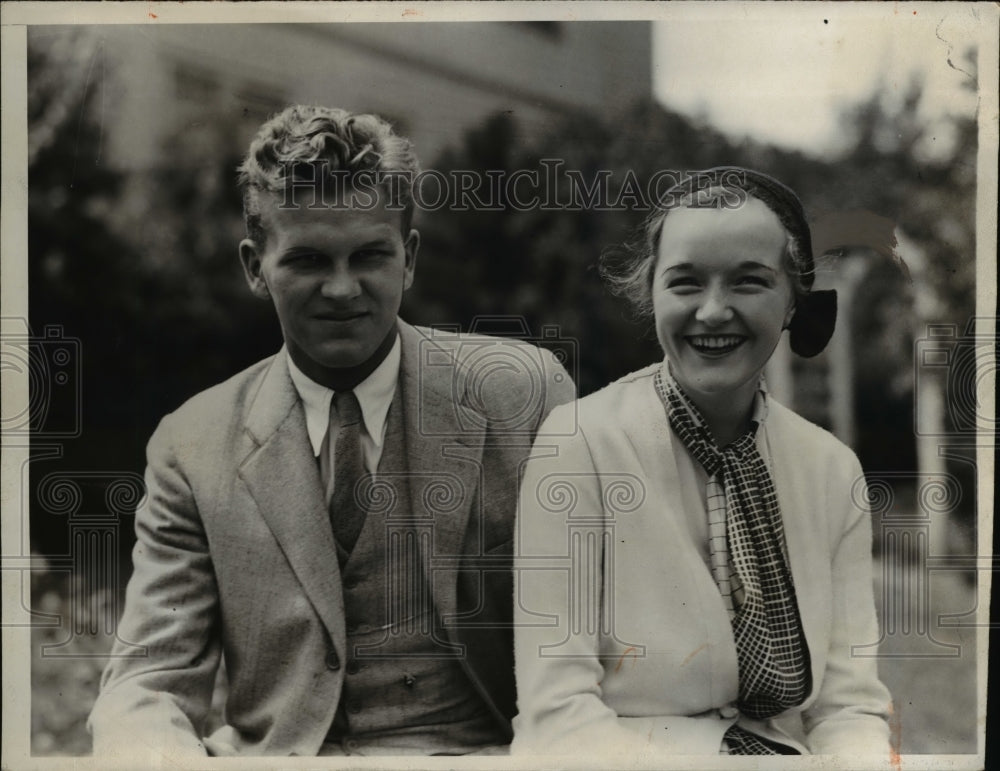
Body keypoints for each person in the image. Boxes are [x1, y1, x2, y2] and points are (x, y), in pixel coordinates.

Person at [88, 105, 574, 758]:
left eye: (370, 255)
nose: (342, 289)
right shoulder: (192, 444)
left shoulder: (524, 394)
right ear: (255, 267)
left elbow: (600, 636)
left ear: (409, 257)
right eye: (310, 259)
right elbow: (147, 681)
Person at [511, 168, 891, 758]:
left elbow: (848, 707)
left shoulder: (831, 470)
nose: (713, 312)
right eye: (685, 283)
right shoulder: (580, 442)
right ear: (651, 293)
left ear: (793, 299)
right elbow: (556, 714)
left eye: (749, 282)